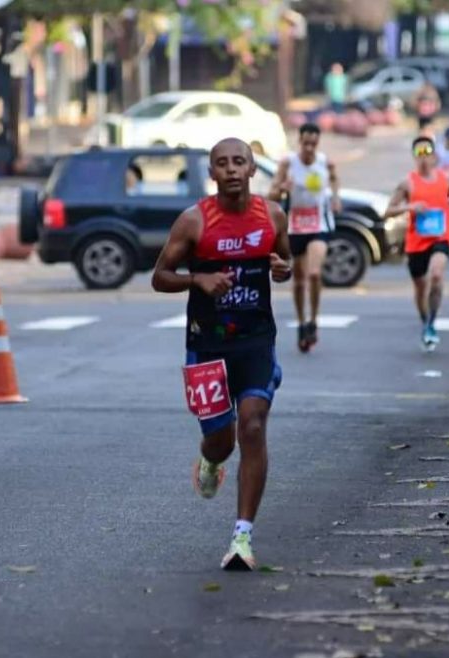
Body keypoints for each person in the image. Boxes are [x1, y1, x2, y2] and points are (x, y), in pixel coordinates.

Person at [151, 138, 292, 571]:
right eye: (222, 164)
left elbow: (283, 261)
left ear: (252, 169)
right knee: (221, 440)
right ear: (212, 173)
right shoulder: (194, 221)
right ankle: (211, 460)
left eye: (239, 162)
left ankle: (242, 537)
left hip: (255, 341)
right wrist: (199, 279)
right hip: (207, 345)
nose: (231, 170)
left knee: (252, 425)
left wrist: (283, 269)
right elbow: (159, 277)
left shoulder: (272, 215)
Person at [384, 136, 449, 351]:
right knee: (420, 287)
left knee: (436, 275)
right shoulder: (407, 183)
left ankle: (431, 323)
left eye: (427, 153)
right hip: (416, 243)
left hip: (441, 237)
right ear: (414, 157)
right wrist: (410, 207)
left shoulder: (445, 179)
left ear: (434, 155)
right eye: (419, 154)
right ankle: (425, 320)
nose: (424, 159)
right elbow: (388, 211)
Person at [268, 123, 340, 352]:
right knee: (298, 281)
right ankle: (301, 322)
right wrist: (282, 186)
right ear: (299, 141)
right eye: (305, 143)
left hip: (318, 224)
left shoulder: (324, 162)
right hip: (295, 228)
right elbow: (271, 194)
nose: (309, 148)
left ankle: (314, 320)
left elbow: (335, 178)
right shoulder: (288, 163)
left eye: (313, 143)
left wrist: (336, 197)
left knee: (315, 273)